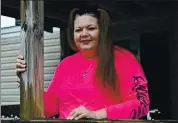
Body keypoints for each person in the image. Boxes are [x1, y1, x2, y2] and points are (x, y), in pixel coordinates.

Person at [16, 6, 150, 120]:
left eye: (90, 28)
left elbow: (142, 104)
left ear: (102, 31)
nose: (84, 34)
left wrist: (96, 114)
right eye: (78, 30)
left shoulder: (124, 59)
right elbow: (49, 108)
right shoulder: (65, 65)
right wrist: (26, 77)